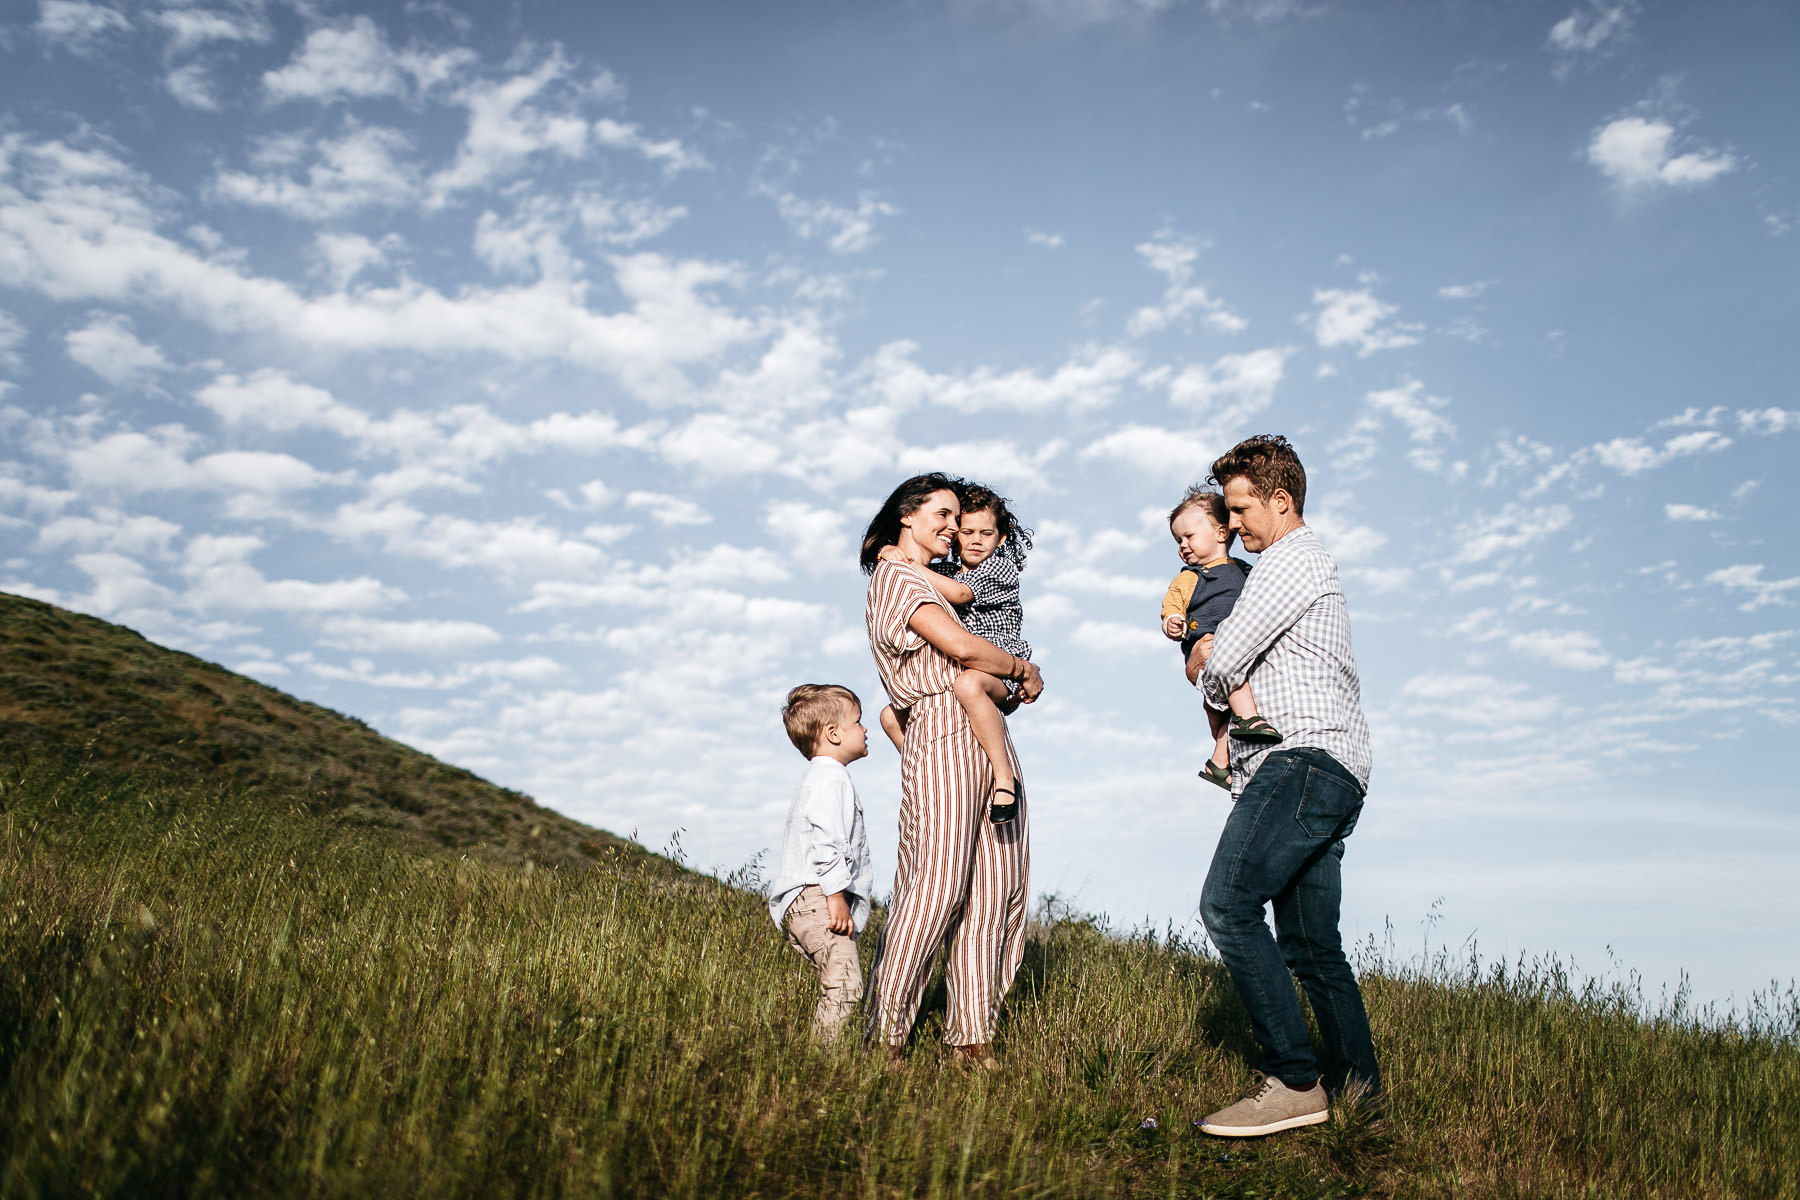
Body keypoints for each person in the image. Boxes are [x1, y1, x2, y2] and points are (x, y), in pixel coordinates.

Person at [1186, 435, 1381, 1138]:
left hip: (1300, 760)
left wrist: (1207, 657)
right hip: (1339, 768)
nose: (1234, 524)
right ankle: (1359, 1098)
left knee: (1227, 905)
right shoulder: (1308, 564)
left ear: (1280, 501)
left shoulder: (1288, 561)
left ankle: (1295, 1081)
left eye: (1239, 509)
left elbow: (1222, 662)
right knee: (1308, 944)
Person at [860, 473, 1044, 1068]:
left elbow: (976, 640)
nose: (950, 525)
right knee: (934, 887)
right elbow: (964, 650)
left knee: (993, 892)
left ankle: (970, 1036)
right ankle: (885, 1034)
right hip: (940, 725)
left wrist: (1012, 676)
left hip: (986, 730)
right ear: (906, 516)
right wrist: (1020, 666)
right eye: (941, 513)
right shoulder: (895, 576)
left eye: (956, 515)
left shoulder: (947, 579)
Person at [877, 482, 1035, 822]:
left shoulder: (998, 569)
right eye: (967, 531)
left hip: (995, 665)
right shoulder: (942, 571)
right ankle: (925, 771)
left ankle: (1004, 777)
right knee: (889, 716)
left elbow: (962, 596)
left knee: (967, 685)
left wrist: (907, 566)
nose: (976, 540)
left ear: (1001, 538)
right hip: (969, 672)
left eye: (987, 533)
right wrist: (891, 551)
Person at [766, 683, 875, 1046]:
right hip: (818, 898)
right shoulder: (830, 777)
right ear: (833, 733)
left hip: (803, 902)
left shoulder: (821, 777)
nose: (865, 729)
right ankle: (818, 1067)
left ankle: (825, 1058)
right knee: (846, 986)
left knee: (837, 983)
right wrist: (835, 895)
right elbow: (826, 840)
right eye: (858, 722)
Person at [1161, 486, 1284, 790]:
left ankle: (1218, 762)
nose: (1183, 546)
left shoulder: (1246, 572)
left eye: (1188, 536)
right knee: (1234, 678)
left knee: (1224, 711)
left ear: (1219, 532)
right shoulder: (1189, 577)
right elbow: (1171, 607)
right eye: (1178, 540)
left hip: (1239, 647)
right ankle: (1248, 717)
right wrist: (1173, 622)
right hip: (1212, 646)